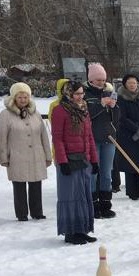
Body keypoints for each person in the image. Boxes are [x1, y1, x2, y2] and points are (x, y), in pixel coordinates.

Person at [51, 81, 99, 245]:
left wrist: (94, 159)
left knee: (83, 195)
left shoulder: (83, 109)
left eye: (81, 93)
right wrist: (62, 161)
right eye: (76, 93)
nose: (80, 96)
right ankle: (71, 232)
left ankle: (82, 229)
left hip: (84, 159)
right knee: (70, 196)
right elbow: (57, 138)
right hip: (69, 160)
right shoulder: (59, 110)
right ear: (68, 94)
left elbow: (89, 136)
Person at [0, 82, 52, 221]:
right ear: (14, 98)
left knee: (36, 184)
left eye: (26, 97)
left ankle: (37, 212)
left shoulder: (35, 113)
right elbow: (2, 137)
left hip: (36, 155)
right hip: (17, 156)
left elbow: (44, 136)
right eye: (20, 97)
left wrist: (48, 155)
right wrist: (3, 157)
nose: (23, 100)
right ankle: (22, 214)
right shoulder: (6, 115)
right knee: (19, 185)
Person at [84, 64, 119, 219]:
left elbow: (116, 119)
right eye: (98, 79)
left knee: (106, 173)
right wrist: (100, 104)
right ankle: (93, 205)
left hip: (109, 137)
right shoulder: (85, 94)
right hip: (92, 138)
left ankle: (106, 204)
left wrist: (114, 108)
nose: (101, 82)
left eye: (103, 80)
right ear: (91, 79)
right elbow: (86, 115)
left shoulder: (109, 92)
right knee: (93, 172)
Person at [116, 73, 139, 200]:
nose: (132, 85)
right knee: (130, 163)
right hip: (128, 135)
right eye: (129, 83)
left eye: (134, 83)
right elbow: (122, 117)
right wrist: (136, 129)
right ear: (125, 84)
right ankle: (132, 191)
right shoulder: (121, 98)